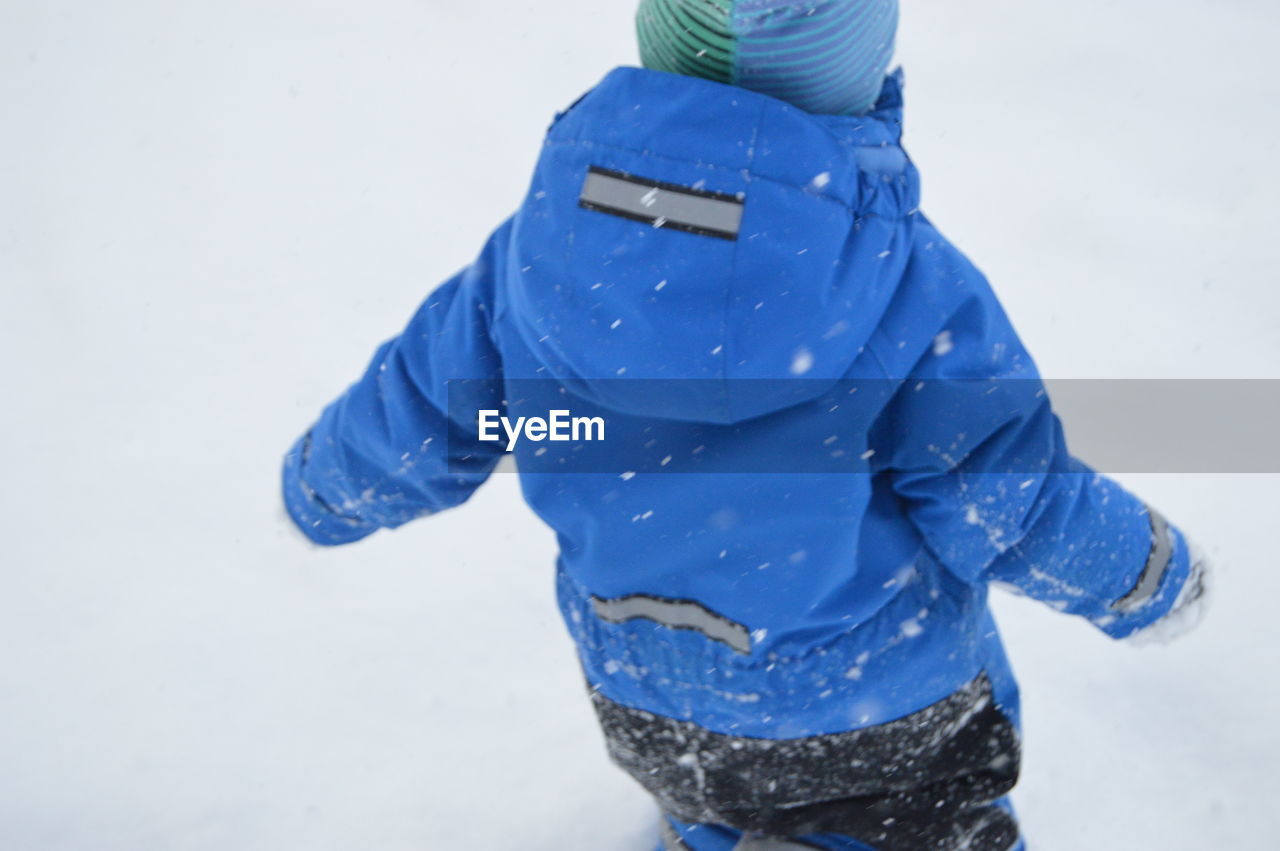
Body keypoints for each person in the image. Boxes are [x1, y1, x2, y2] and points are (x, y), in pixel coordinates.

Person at [281, 2, 1209, 848]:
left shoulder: (535, 258)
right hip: (876, 707)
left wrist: (323, 490)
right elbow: (1012, 497)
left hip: (651, 689)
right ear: (862, 75)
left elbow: (418, 413)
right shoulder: (910, 287)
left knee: (716, 802)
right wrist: (1145, 575)